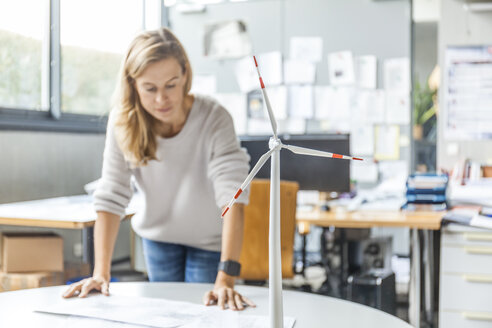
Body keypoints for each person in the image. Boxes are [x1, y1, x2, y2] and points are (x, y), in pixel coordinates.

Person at [62, 27, 254, 311]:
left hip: (209, 241)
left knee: (207, 314)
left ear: (185, 75)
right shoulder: (123, 121)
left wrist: (226, 276)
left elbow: (233, 195)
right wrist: (100, 274)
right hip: (158, 240)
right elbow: (112, 192)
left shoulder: (214, 117)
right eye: (150, 89)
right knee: (166, 314)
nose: (162, 100)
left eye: (171, 85)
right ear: (133, 83)